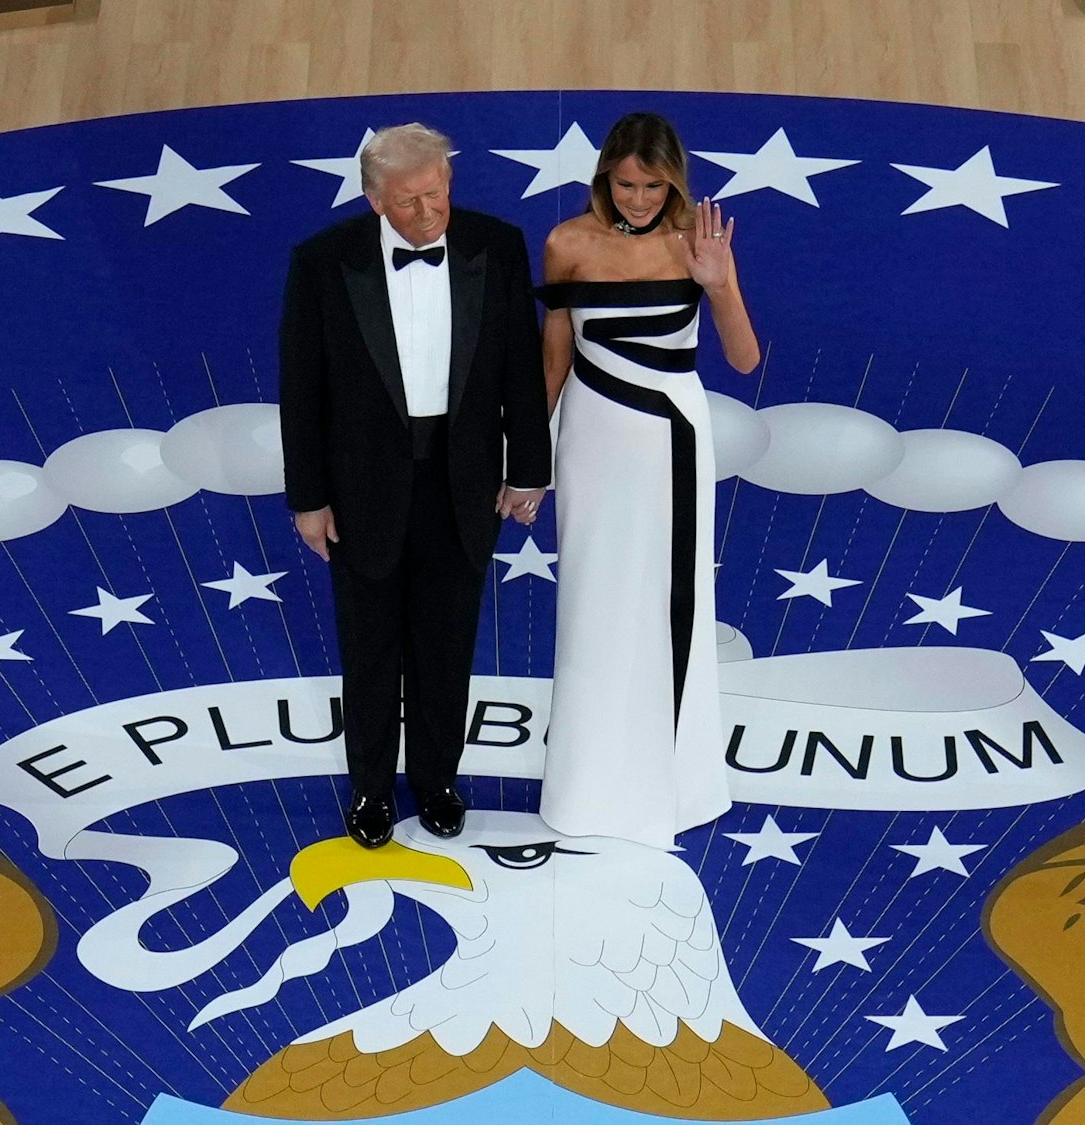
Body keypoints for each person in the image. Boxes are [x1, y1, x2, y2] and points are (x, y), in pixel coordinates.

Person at [279, 124, 549, 849]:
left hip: (464, 483)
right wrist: (308, 497)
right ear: (374, 199)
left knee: (446, 643)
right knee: (370, 649)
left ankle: (438, 781)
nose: (428, 214)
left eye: (436, 195)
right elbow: (302, 391)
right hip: (362, 487)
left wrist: (529, 468)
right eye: (408, 202)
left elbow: (520, 368)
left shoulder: (497, 245)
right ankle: (370, 790)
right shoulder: (323, 263)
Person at [536, 113, 759, 849]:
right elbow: (555, 358)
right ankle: (586, 785)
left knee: (670, 604)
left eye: (652, 185)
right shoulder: (568, 244)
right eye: (624, 184)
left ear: (674, 181)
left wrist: (717, 282)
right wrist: (527, 463)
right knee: (593, 604)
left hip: (671, 444)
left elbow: (745, 356)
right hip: (591, 442)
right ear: (605, 177)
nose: (637, 198)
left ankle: (676, 784)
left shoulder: (696, 241)